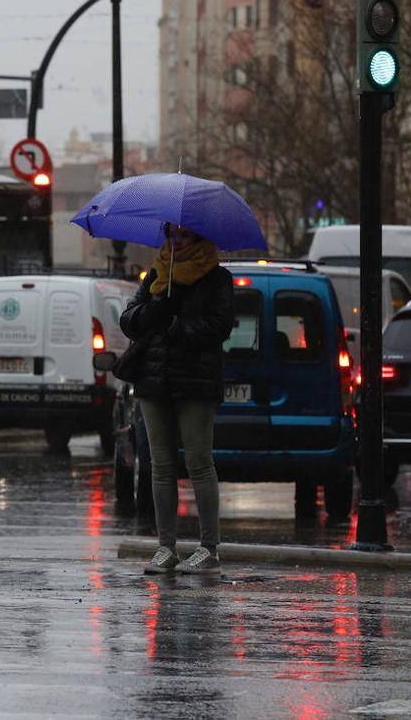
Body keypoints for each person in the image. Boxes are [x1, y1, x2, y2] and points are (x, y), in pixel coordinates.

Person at [119, 223, 234, 575]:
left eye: (183, 235)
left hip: (195, 381)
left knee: (199, 463)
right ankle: (165, 547)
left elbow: (220, 326)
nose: (176, 241)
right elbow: (128, 319)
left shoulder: (216, 278)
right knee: (160, 466)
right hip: (154, 380)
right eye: (172, 234)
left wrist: (176, 326)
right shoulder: (157, 272)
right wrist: (153, 313)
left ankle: (208, 547)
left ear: (199, 237)